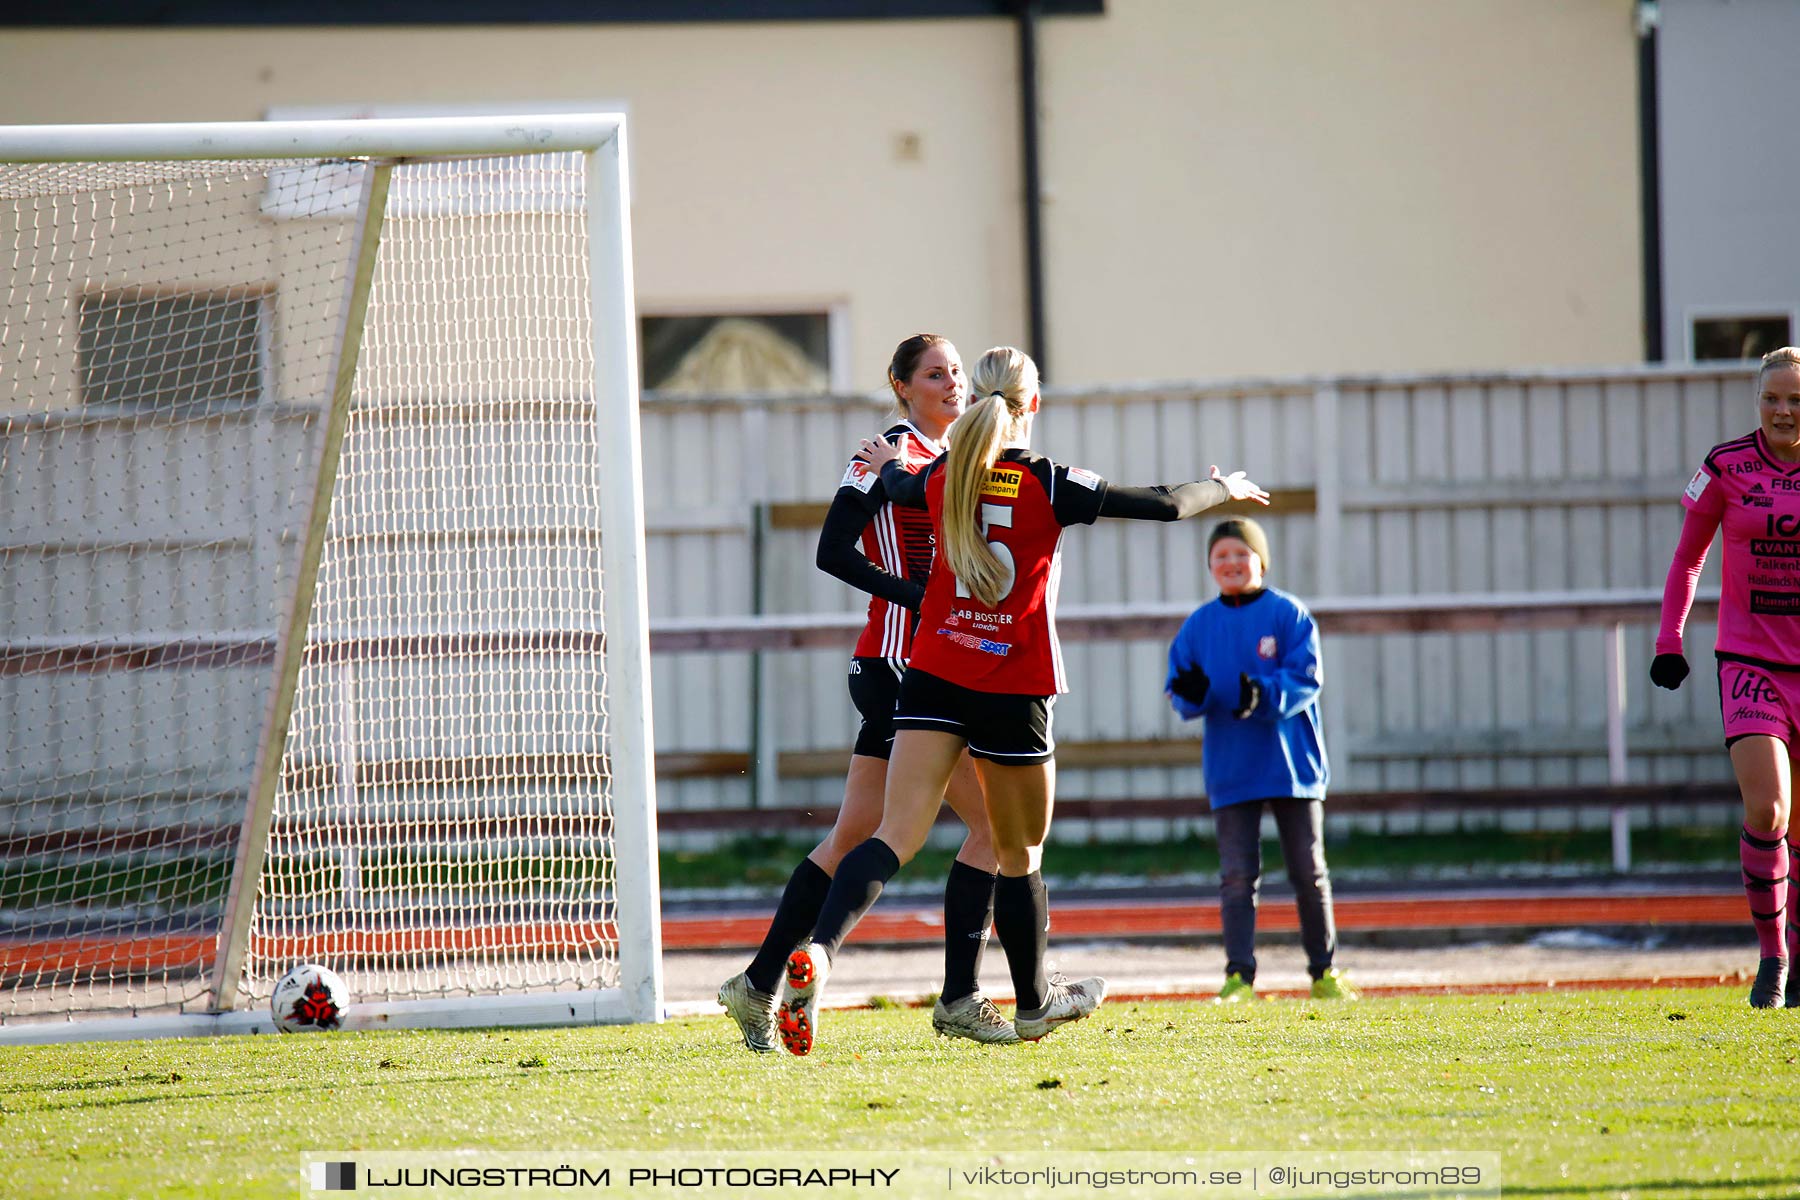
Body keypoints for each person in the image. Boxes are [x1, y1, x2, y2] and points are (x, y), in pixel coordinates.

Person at [773, 345, 1270, 1055]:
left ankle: (818, 955)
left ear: (974, 398)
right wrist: (1223, 488)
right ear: (1031, 404)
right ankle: (1034, 1004)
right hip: (1013, 683)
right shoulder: (1045, 479)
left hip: (935, 670)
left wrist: (886, 469)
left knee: (894, 835)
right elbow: (1162, 505)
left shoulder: (943, 473)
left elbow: (901, 488)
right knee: (1018, 851)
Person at [718, 334, 1018, 1051]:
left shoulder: (964, 456)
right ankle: (959, 993)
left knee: (853, 834)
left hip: (937, 667)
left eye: (956, 371)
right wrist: (913, 594)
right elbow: (830, 550)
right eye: (934, 373)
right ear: (901, 385)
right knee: (994, 832)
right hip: (902, 669)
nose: (951, 382)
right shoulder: (886, 453)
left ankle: (759, 983)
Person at [1653, 345, 1800, 1008]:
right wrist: (1669, 640)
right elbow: (1688, 560)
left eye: (1796, 400)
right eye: (1772, 398)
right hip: (1749, 663)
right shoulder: (1725, 466)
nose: (1783, 411)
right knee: (1768, 808)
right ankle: (1772, 960)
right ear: (1756, 403)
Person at [1164, 517, 1356, 1003]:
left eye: (1241, 554)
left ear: (1261, 561)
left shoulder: (1289, 614)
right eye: (1221, 556)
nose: (1231, 563)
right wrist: (1190, 694)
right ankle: (1239, 977)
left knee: (1309, 871)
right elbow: (1181, 687)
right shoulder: (1199, 625)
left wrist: (1263, 694)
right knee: (1236, 876)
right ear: (1210, 566)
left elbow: (1306, 679)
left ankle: (1324, 972)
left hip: (1292, 766)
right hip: (1232, 767)